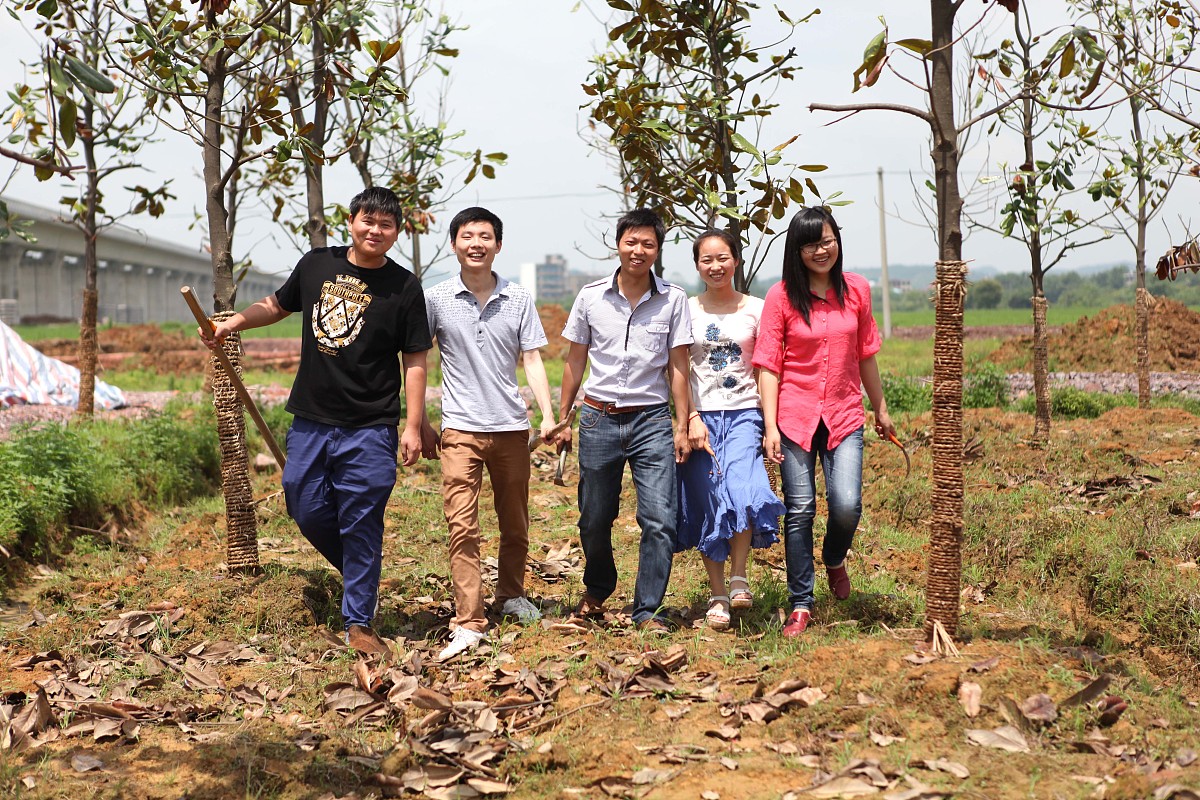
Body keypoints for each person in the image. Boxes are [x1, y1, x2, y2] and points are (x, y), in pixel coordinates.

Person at [201, 186, 431, 657]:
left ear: (397, 233)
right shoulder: (316, 264)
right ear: (351, 221)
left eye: (386, 225)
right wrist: (231, 324)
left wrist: (412, 424)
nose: (376, 230)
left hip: (371, 425)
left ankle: (360, 621)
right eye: (368, 220)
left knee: (361, 520)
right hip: (311, 418)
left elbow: (416, 358)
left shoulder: (404, 287)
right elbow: (277, 305)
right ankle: (361, 577)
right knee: (302, 503)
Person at [420, 207, 556, 661]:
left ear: (499, 244)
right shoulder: (435, 298)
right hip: (459, 429)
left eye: (485, 236)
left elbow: (532, 360)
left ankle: (511, 596)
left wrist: (548, 414)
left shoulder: (518, 298)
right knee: (463, 526)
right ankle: (469, 620)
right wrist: (417, 419)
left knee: (515, 521)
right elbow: (416, 358)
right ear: (454, 243)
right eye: (467, 235)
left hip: (512, 429)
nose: (476, 243)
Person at [753, 206, 895, 637]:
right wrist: (771, 425)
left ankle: (834, 557)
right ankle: (801, 602)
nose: (821, 250)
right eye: (811, 243)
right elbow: (769, 366)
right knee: (799, 509)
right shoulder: (780, 297)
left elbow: (865, 353)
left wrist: (881, 408)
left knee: (847, 503)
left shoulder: (857, 291)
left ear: (838, 241)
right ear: (796, 251)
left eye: (827, 240)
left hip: (844, 411)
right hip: (794, 416)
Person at [554, 208, 693, 633]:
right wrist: (562, 421)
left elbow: (679, 367)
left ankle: (648, 608)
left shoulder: (674, 299)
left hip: (651, 419)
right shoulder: (591, 297)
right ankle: (598, 586)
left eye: (647, 244)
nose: (638, 251)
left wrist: (682, 424)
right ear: (618, 244)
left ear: (657, 250)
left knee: (659, 518)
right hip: (598, 418)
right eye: (631, 242)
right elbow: (575, 361)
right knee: (593, 516)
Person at [676, 230, 786, 630]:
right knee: (709, 502)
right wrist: (687, 419)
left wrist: (771, 423)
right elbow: (678, 370)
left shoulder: (757, 309)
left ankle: (739, 575)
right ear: (697, 266)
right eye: (706, 260)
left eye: (722, 258)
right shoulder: (685, 310)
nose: (715, 266)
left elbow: (769, 367)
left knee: (743, 489)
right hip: (700, 417)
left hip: (743, 413)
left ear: (736, 260)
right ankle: (718, 594)